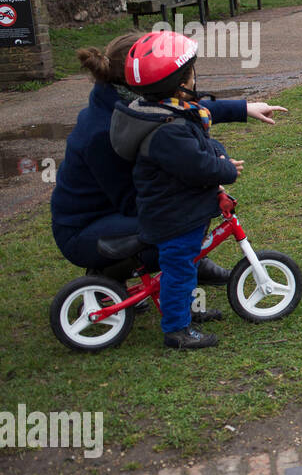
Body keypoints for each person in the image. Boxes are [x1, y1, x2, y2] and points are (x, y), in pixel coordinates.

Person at [50, 31, 284, 283]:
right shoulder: (102, 132)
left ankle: (190, 261)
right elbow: (130, 201)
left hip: (114, 213)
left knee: (194, 205)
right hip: (87, 231)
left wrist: (243, 108)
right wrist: (196, 183)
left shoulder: (129, 102)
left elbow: (180, 110)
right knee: (185, 213)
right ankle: (111, 274)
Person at [109, 31, 243, 349]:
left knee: (187, 263)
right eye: (192, 72)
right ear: (179, 82)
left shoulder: (163, 111)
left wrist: (217, 151)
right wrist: (225, 168)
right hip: (174, 216)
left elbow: (201, 143)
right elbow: (199, 166)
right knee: (180, 269)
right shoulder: (168, 131)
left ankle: (186, 310)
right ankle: (176, 330)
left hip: (177, 209)